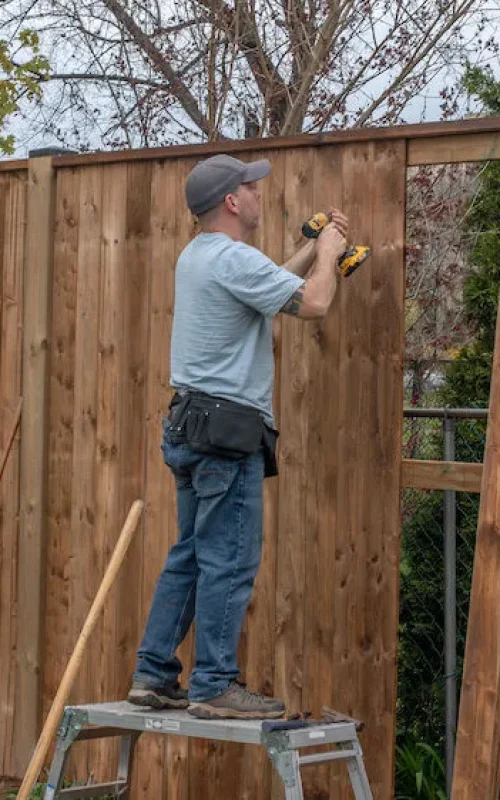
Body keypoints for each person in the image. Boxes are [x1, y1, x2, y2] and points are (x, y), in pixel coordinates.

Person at [128, 154, 348, 720]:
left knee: (192, 555)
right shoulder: (231, 259)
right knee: (229, 559)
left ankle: (154, 674)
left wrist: (311, 251)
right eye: (252, 187)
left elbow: (268, 285)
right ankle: (215, 685)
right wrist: (329, 255)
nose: (258, 194)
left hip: (190, 427)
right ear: (232, 201)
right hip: (227, 434)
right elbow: (315, 303)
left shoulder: (201, 256)